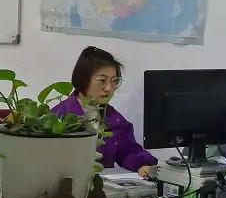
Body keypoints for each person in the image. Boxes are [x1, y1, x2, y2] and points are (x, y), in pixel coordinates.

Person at [52, 46, 157, 177]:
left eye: (114, 81)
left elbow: (129, 151)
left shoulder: (115, 120)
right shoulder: (59, 117)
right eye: (102, 80)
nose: (109, 88)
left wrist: (142, 164)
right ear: (83, 79)